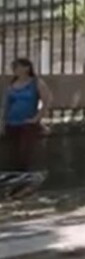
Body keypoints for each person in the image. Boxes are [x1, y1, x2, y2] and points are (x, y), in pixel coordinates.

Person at [1, 58, 51, 196]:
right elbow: (6, 105)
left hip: (27, 124)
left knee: (25, 153)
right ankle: (15, 185)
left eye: (17, 67)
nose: (15, 70)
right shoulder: (12, 85)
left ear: (27, 68)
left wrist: (36, 119)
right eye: (14, 67)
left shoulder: (36, 83)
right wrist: (3, 122)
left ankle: (25, 186)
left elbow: (46, 100)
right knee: (13, 155)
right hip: (12, 123)